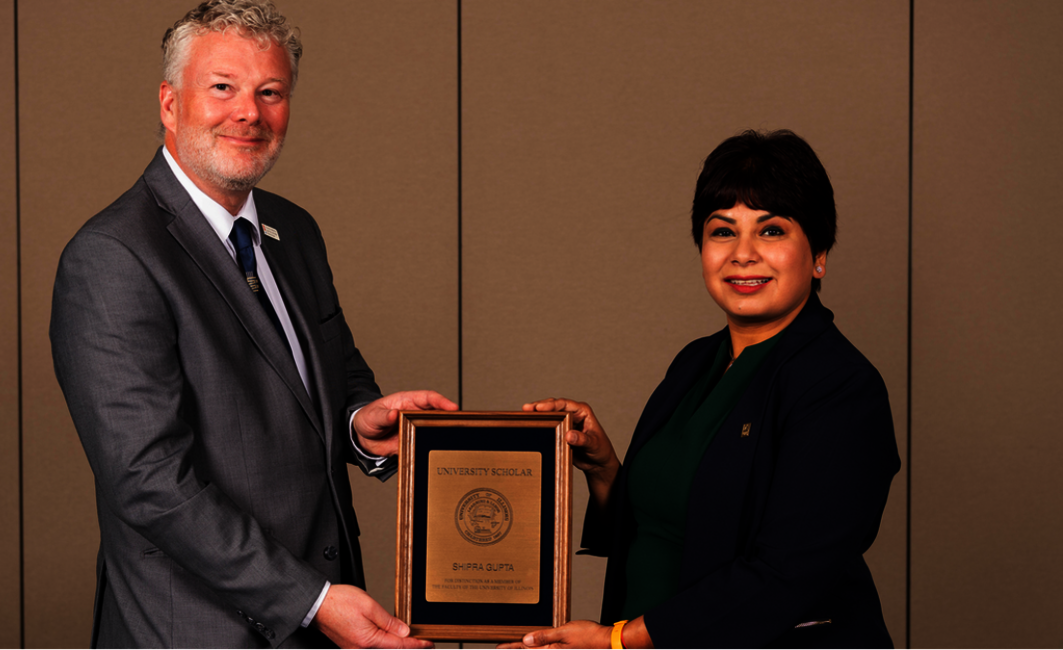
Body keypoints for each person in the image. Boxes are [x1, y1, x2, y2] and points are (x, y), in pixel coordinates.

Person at [49, 1, 453, 647]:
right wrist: (312, 600)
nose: (249, 112)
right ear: (169, 103)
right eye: (222, 88)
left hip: (316, 619)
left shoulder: (294, 232)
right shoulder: (113, 257)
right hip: (196, 630)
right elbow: (149, 481)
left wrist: (359, 425)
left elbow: (331, 374)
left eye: (271, 92)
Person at [514, 130, 900, 648]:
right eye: (722, 231)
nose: (742, 255)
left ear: (819, 255)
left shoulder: (841, 387)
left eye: (771, 231)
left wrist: (618, 641)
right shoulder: (696, 362)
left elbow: (785, 575)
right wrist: (606, 472)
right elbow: (673, 526)